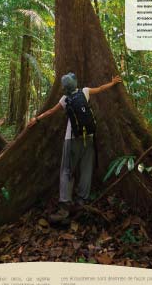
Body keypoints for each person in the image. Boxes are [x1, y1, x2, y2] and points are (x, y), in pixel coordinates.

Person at [28, 72, 122, 222]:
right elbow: (100, 88)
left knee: (66, 170)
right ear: (75, 83)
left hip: (72, 138)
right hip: (89, 137)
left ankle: (65, 206)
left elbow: (51, 111)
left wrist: (36, 119)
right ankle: (82, 200)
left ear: (64, 87)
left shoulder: (65, 99)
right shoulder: (84, 91)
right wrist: (112, 83)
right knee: (86, 168)